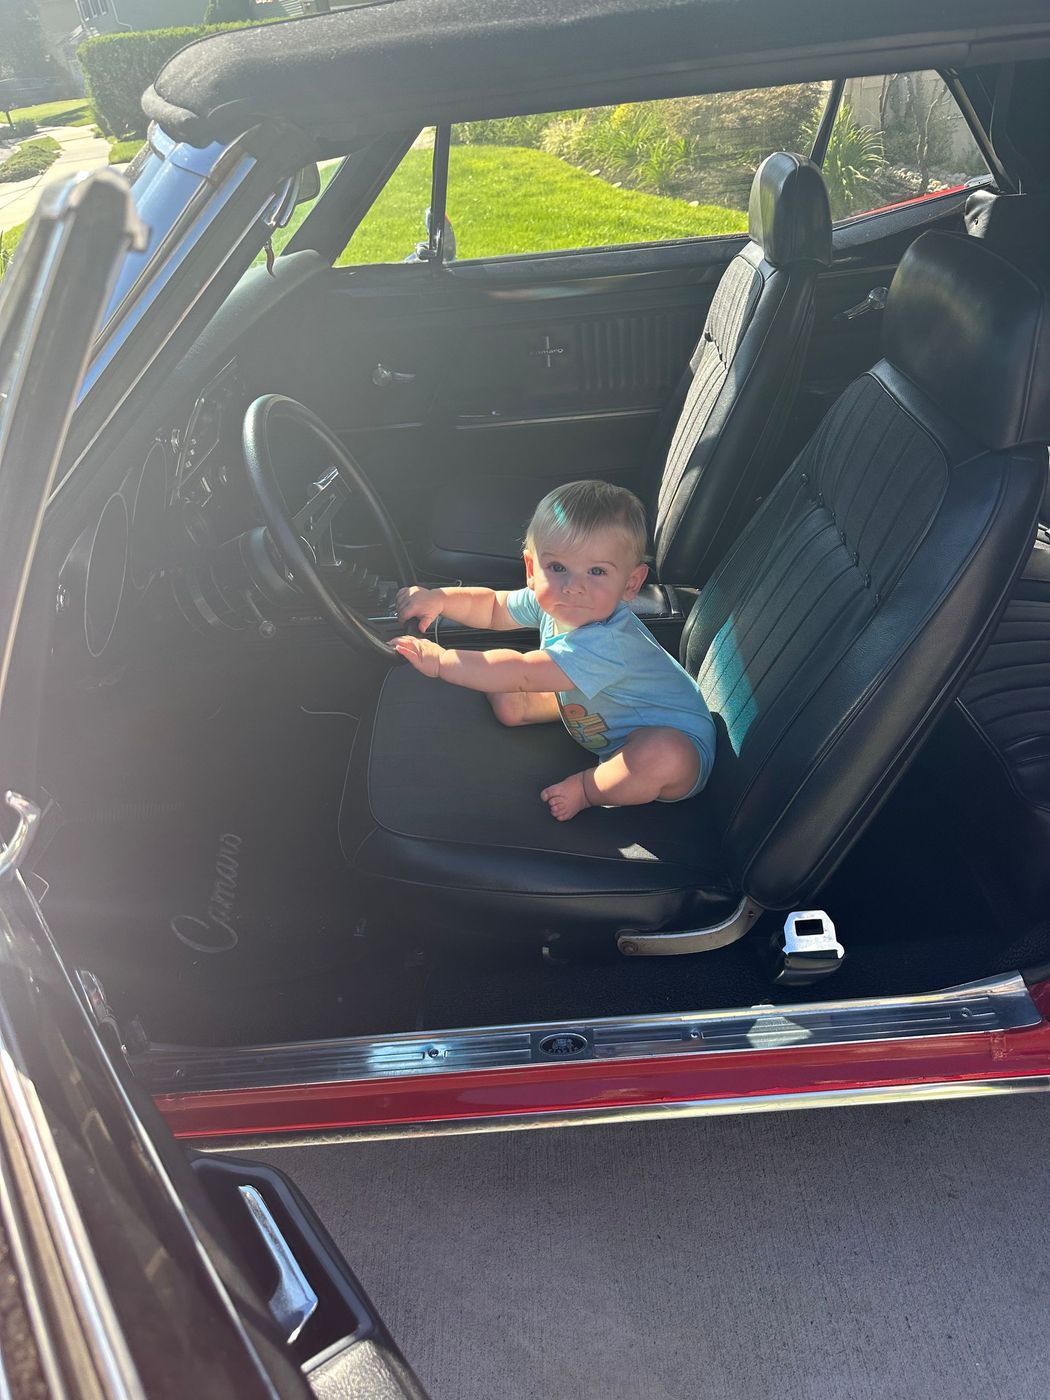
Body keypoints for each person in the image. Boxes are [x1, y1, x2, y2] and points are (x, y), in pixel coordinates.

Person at [393, 480, 716, 821]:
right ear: (532, 569)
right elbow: (491, 606)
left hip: (680, 748)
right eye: (558, 567)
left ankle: (589, 788)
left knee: (663, 755)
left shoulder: (608, 643)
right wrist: (439, 598)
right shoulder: (551, 603)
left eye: (597, 571)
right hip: (609, 714)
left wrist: (443, 662)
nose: (574, 586)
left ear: (631, 583)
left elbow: (522, 672)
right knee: (522, 687)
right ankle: (527, 706)